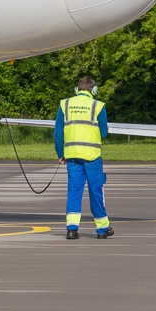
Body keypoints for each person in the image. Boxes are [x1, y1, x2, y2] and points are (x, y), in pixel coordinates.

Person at [55, 76, 113, 240]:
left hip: (72, 156)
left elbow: (58, 133)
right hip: (92, 156)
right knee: (95, 190)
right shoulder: (98, 106)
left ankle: (72, 229)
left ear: (77, 89)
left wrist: (61, 154)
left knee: (74, 191)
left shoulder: (65, 104)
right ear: (93, 90)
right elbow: (104, 132)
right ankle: (102, 229)